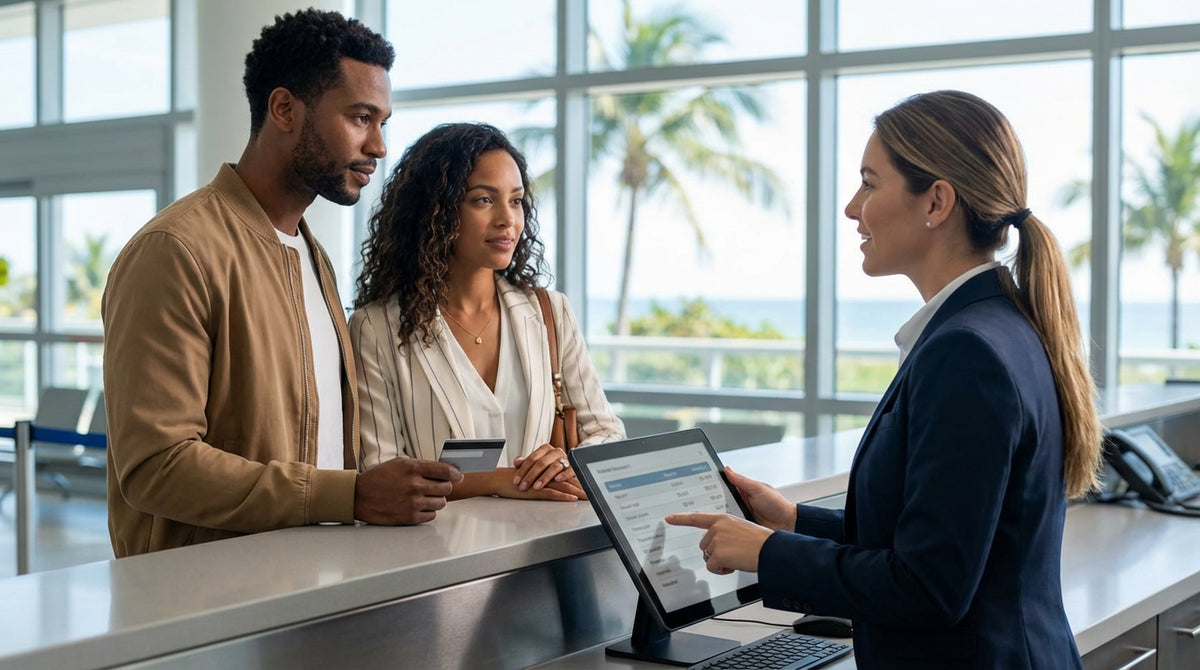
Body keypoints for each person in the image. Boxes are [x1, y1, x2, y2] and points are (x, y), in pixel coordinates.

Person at [667, 90, 1103, 669]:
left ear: (937, 202)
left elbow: (928, 585)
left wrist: (767, 552)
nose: (852, 208)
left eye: (870, 183)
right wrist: (793, 521)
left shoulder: (967, 352)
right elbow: (937, 534)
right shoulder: (999, 325)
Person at [102, 9, 462, 558]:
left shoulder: (313, 257)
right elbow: (156, 465)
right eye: (361, 117)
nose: (379, 147)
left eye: (382, 122)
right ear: (285, 109)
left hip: (302, 591)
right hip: (195, 615)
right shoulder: (176, 251)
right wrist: (354, 495)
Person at [350, 122, 625, 502]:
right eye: (483, 200)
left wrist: (563, 463)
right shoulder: (376, 327)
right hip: (440, 553)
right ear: (436, 210)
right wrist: (500, 480)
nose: (507, 219)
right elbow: (380, 471)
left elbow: (607, 434)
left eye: (516, 200)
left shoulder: (550, 312)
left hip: (551, 547)